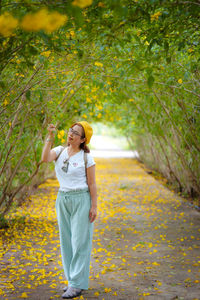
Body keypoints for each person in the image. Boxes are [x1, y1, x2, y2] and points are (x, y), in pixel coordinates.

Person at [41, 121, 97, 299]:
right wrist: (49, 136)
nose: (71, 134)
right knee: (66, 241)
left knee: (80, 242)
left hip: (81, 199)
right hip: (63, 198)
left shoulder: (87, 158)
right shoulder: (60, 151)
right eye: (71, 130)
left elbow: (92, 184)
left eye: (76, 133)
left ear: (82, 139)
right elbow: (45, 158)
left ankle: (77, 284)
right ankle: (71, 280)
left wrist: (94, 206)